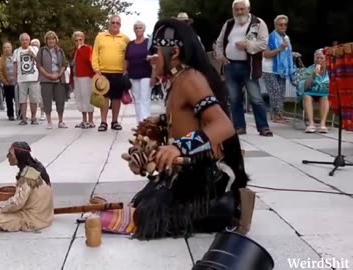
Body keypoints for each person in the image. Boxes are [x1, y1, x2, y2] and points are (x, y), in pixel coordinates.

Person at [112, 19, 254, 240]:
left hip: (203, 175)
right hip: (183, 173)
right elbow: (184, 120)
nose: (151, 58)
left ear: (174, 52)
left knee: (150, 218)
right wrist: (154, 134)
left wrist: (179, 147)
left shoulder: (190, 79)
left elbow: (224, 125)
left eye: (156, 52)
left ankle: (226, 205)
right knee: (142, 203)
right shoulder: (176, 78)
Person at [214, 0, 273, 136]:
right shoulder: (229, 24)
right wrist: (221, 56)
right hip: (230, 65)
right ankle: (239, 127)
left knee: (256, 97)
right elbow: (219, 41)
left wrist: (247, 46)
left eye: (242, 9)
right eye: (237, 9)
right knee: (234, 99)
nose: (239, 12)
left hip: (248, 65)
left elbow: (263, 43)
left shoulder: (257, 23)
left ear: (248, 9)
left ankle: (263, 127)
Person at [0, 142, 53, 232]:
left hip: (34, 219)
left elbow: (18, 202)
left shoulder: (27, 176)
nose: (8, 156)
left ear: (19, 156)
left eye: (10, 154)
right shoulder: (37, 167)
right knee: (3, 208)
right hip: (45, 215)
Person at [262, 15, 295, 123]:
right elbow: (266, 54)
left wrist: (292, 54)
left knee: (281, 92)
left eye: (285, 24)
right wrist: (280, 48)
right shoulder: (269, 37)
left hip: (281, 70)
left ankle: (279, 115)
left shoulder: (286, 37)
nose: (283, 26)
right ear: (275, 25)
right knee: (274, 92)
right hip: (269, 69)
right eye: (280, 24)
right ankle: (275, 115)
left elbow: (287, 53)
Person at [299, 50, 330, 133]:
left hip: (325, 93)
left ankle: (322, 124)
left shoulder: (330, 69)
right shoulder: (310, 69)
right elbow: (304, 86)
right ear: (314, 59)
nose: (319, 60)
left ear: (326, 59)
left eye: (321, 58)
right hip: (310, 92)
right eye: (317, 58)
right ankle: (311, 123)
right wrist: (312, 75)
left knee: (324, 97)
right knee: (306, 96)